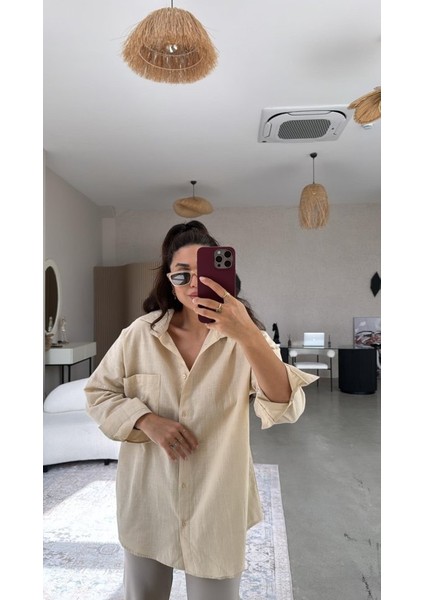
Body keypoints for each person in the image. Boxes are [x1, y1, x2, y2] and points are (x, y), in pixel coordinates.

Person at [85, 220, 317, 600]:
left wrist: (246, 334)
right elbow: (99, 393)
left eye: (204, 272)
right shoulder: (139, 335)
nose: (194, 284)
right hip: (149, 498)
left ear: (224, 276)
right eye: (182, 275)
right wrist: (146, 420)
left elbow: (285, 403)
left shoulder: (248, 339)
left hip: (217, 503)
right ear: (169, 283)